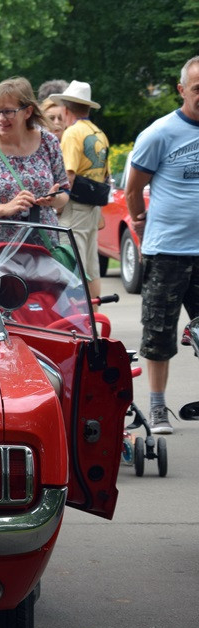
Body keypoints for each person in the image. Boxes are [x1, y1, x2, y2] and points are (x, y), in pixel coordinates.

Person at [124, 56, 199, 435]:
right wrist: (139, 220)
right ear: (182, 89)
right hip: (169, 251)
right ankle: (156, 408)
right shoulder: (160, 133)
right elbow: (133, 188)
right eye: (198, 88)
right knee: (159, 334)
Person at [0, 77, 69, 227]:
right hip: (0, 247)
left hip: (45, 243)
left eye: (8, 112)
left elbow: (64, 192)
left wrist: (54, 200)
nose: (1, 119)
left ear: (28, 112)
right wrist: (5, 208)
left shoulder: (49, 142)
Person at [49, 80, 109, 302]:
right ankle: (96, 316)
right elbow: (105, 176)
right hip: (92, 208)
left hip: (75, 208)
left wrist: (59, 208)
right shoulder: (99, 133)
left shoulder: (73, 133)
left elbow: (69, 175)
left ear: (65, 109)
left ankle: (81, 324)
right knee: (91, 267)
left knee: (72, 264)